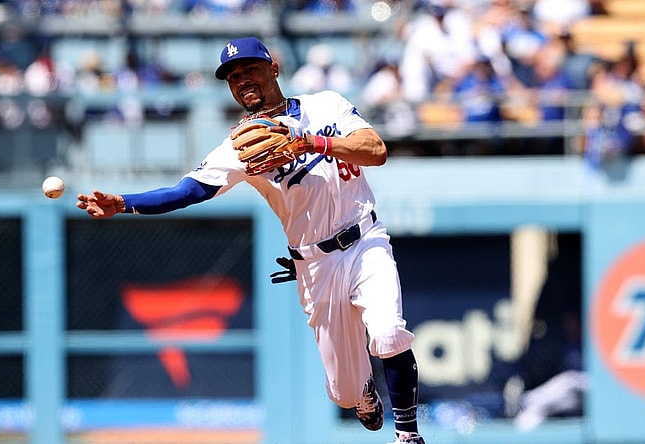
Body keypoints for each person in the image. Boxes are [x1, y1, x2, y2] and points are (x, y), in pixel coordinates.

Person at [77, 36, 426, 444]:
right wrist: (124, 202)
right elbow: (187, 191)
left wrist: (308, 141)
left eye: (250, 69)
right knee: (345, 392)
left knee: (387, 334)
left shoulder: (325, 106)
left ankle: (408, 435)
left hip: (366, 239)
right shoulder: (239, 146)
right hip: (314, 263)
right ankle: (363, 392)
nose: (242, 80)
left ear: (273, 68)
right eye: (233, 76)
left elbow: (375, 150)